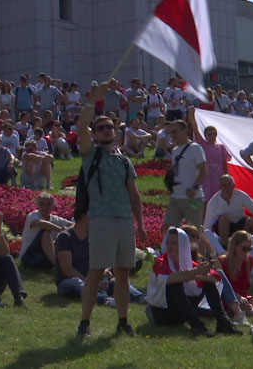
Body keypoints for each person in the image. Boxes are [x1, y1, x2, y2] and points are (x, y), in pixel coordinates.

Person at [75, 81, 146, 338]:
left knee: (123, 274)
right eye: (101, 128)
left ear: (116, 132)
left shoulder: (124, 160)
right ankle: (85, 322)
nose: (106, 130)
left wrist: (140, 224)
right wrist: (97, 96)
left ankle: (123, 321)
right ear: (95, 134)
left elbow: (134, 194)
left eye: (109, 127)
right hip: (101, 219)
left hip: (123, 220)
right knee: (95, 272)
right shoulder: (90, 155)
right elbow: (81, 124)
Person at [144, 228, 241, 336]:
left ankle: (223, 322)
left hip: (180, 312)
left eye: (174, 243)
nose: (170, 246)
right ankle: (196, 325)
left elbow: (215, 278)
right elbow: (168, 279)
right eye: (168, 242)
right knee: (175, 284)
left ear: (183, 245)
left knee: (207, 282)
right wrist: (195, 272)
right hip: (160, 312)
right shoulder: (160, 262)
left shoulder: (190, 263)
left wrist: (194, 274)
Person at [162, 120, 207, 234]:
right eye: (171, 133)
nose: (173, 135)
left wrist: (195, 188)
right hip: (176, 197)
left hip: (193, 198)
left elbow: (203, 170)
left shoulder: (195, 148)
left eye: (175, 132)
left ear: (185, 130)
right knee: (168, 228)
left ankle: (201, 251)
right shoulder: (175, 151)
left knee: (194, 232)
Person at [203, 175, 253, 253]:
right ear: (219, 187)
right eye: (224, 185)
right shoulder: (213, 202)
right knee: (224, 217)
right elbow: (207, 226)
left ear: (234, 186)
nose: (226, 188)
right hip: (223, 227)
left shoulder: (241, 195)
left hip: (240, 224)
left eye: (229, 185)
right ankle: (225, 249)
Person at [20, 192, 73, 269]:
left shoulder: (55, 219)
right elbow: (41, 223)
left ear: (53, 206)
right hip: (29, 257)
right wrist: (60, 230)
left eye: (48, 204)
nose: (45, 207)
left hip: (44, 257)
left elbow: (73, 225)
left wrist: (66, 230)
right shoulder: (32, 215)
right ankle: (57, 266)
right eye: (41, 204)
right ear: (37, 205)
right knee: (46, 232)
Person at [187, 108, 230, 202]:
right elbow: (194, 127)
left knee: (218, 197)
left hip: (218, 174)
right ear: (206, 136)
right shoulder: (202, 144)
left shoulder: (221, 147)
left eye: (214, 134)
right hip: (207, 175)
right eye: (210, 134)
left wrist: (227, 176)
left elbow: (224, 163)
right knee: (206, 197)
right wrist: (191, 113)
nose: (212, 136)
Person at [219, 231, 253, 319]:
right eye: (244, 249)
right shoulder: (223, 262)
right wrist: (238, 297)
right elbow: (221, 287)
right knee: (248, 307)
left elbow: (245, 287)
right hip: (229, 298)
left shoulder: (248, 261)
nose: (246, 252)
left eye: (249, 249)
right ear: (235, 246)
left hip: (243, 298)